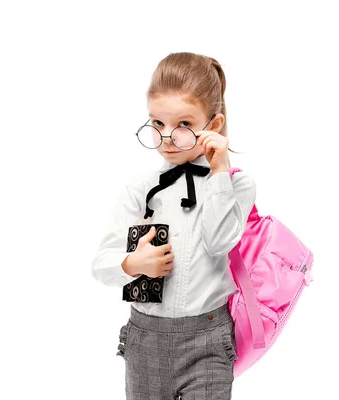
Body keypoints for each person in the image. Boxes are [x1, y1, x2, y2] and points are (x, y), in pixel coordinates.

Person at [91, 52, 256, 400]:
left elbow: (218, 242)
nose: (167, 137)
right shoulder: (141, 188)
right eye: (157, 123)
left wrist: (220, 173)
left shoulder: (236, 185)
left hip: (208, 338)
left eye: (183, 124)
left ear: (212, 126)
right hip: (146, 338)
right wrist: (133, 264)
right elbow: (101, 264)